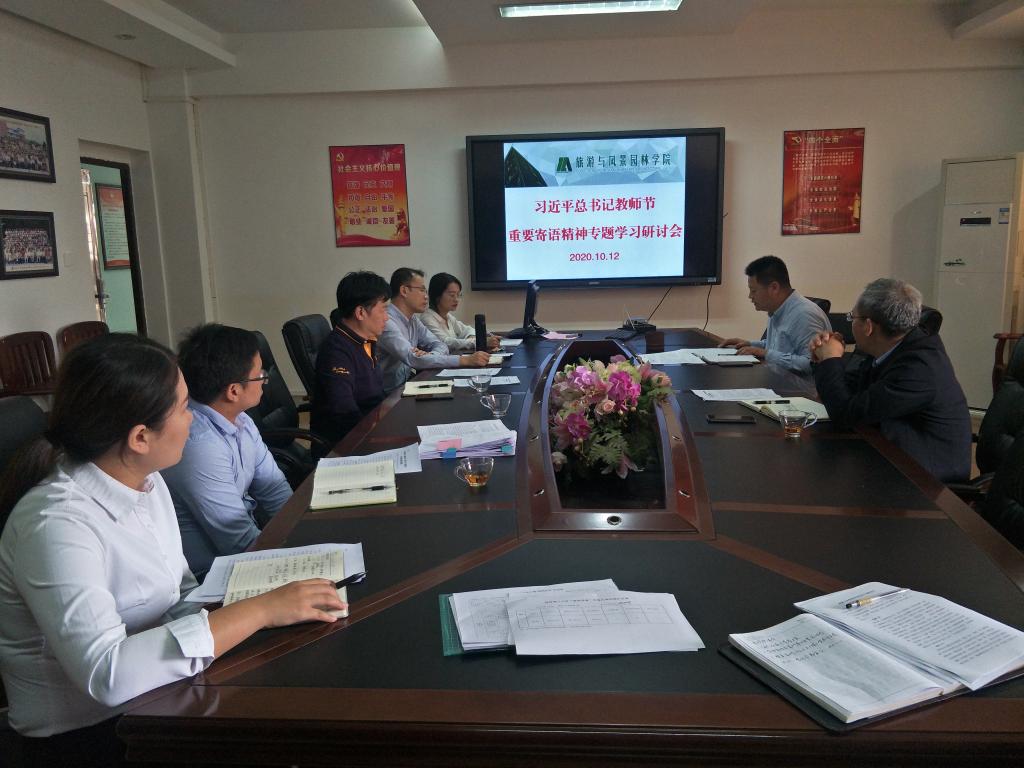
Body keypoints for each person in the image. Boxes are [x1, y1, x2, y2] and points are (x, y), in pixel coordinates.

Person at [0, 334, 344, 766]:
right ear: (140, 437)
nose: (193, 418)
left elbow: (179, 591)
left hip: (159, 697)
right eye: (183, 408)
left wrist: (252, 607)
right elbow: (107, 674)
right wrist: (259, 611)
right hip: (88, 737)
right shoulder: (56, 525)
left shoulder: (147, 482)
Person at [160, 324, 292, 580]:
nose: (265, 379)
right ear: (233, 391)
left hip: (244, 553)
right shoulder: (199, 446)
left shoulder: (241, 420)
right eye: (259, 374)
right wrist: (294, 562)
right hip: (210, 576)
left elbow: (274, 489)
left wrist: (303, 534)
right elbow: (238, 541)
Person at [809, 278, 971, 483]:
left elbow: (846, 414)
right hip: (891, 453)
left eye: (852, 317)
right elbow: (848, 391)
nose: (851, 322)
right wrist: (822, 359)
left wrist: (830, 360)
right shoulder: (890, 346)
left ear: (868, 327)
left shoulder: (919, 368)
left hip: (927, 480)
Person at [377, 267, 490, 392]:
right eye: (422, 290)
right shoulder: (386, 321)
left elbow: (440, 344)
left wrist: (430, 355)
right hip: (386, 394)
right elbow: (413, 358)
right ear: (404, 290)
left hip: (406, 386)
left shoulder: (413, 320)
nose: (426, 297)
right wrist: (464, 360)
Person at [312, 271, 391, 446]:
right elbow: (345, 413)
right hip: (347, 445)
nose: (387, 317)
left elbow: (375, 395)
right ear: (361, 312)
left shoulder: (366, 341)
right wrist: (383, 438)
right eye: (383, 309)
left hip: (372, 428)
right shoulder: (336, 351)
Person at [718, 255, 831, 374]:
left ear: (774, 288)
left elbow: (812, 364)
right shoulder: (777, 308)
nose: (750, 296)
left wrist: (766, 354)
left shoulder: (805, 315)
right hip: (778, 378)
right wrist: (749, 344)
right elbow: (780, 345)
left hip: (799, 385)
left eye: (754, 291)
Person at [420, 272, 500, 353]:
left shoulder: (448, 316)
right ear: (437, 295)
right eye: (452, 295)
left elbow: (468, 330)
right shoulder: (427, 319)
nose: (456, 299)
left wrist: (474, 338)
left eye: (458, 295)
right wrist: (477, 342)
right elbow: (445, 342)